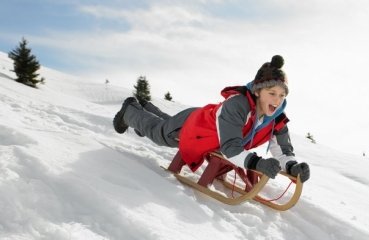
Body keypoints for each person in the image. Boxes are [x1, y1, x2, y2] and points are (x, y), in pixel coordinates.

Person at [113, 55, 310, 182]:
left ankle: (147, 108)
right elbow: (231, 148)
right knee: (159, 133)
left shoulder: (277, 119)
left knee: (164, 124)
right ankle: (129, 110)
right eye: (272, 92)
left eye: (281, 95)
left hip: (210, 132)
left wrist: (293, 166)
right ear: (258, 91)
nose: (277, 100)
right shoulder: (237, 105)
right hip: (194, 126)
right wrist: (258, 164)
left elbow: (283, 150)